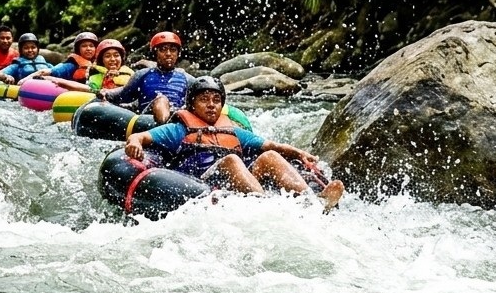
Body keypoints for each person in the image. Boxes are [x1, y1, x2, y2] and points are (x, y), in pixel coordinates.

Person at [125, 77, 344, 209]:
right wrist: (133, 142)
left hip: (235, 184)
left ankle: (313, 202)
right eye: (204, 100)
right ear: (191, 105)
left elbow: (270, 145)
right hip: (199, 182)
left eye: (216, 100)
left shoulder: (233, 131)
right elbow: (142, 137)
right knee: (231, 159)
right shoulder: (178, 129)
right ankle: (266, 206)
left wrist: (299, 153)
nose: (211, 105)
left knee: (269, 157)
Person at [98, 31, 191, 123]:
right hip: (148, 119)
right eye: (163, 49)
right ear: (155, 53)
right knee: (161, 100)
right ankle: (165, 129)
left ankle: (170, 128)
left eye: (173, 50)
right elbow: (122, 95)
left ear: (178, 53)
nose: (168, 53)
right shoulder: (142, 75)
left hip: (177, 119)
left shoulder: (186, 78)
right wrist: (106, 93)